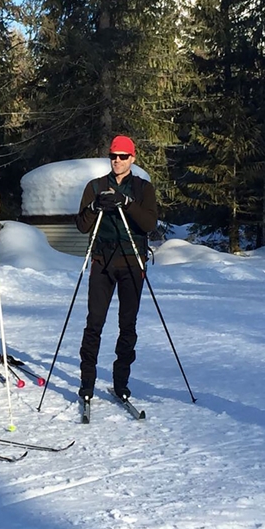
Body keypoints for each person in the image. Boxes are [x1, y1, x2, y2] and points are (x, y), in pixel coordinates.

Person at [75, 135, 157, 403]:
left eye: (123, 156)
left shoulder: (143, 188)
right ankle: (87, 382)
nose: (118, 161)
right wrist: (94, 205)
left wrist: (127, 203)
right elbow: (82, 225)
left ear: (133, 158)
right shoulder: (96, 186)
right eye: (114, 156)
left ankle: (121, 382)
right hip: (102, 261)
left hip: (133, 262)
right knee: (94, 323)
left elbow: (149, 224)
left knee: (127, 324)